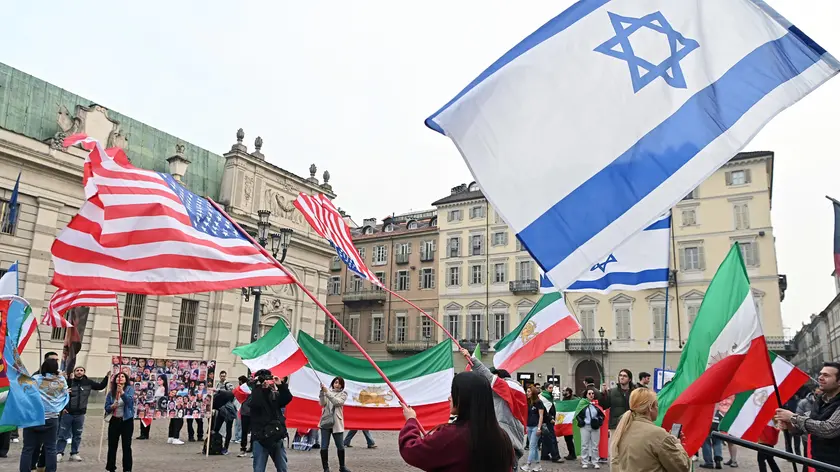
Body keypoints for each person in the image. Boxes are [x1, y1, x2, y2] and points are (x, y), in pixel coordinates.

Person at [398, 371, 514, 472]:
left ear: (462, 397)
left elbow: (411, 451)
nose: (449, 398)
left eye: (453, 393)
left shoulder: (451, 436)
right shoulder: (503, 438)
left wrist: (411, 421)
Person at [459, 348, 525, 466]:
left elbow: (489, 378)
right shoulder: (511, 394)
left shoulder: (508, 388)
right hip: (508, 446)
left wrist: (472, 359)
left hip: (506, 446)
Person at [775, 362, 840, 468]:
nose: (820, 378)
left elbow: (829, 429)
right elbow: (804, 428)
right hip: (818, 463)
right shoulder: (820, 401)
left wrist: (793, 417)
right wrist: (790, 425)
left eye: (826, 375)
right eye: (821, 374)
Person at [610, 388, 690, 472]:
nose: (658, 408)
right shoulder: (658, 434)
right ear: (650, 407)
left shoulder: (623, 429)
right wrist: (677, 444)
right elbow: (682, 467)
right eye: (657, 405)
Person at [20, 357, 68, 472]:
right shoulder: (61, 381)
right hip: (52, 418)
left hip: (34, 417)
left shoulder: (36, 379)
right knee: (51, 448)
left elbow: (25, 391)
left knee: (28, 449)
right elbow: (65, 394)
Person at [57, 366, 109, 462]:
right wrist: (62, 408)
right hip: (67, 413)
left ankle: (74, 453)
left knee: (77, 435)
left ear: (84, 372)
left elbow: (100, 386)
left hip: (80, 414)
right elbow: (59, 394)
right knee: (63, 434)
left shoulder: (88, 382)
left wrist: (107, 377)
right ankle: (59, 452)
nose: (79, 372)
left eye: (81, 370)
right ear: (74, 372)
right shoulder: (68, 382)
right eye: (77, 370)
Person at [249, 371, 293, 472]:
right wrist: (258, 386)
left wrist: (280, 385)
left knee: (282, 468)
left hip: (275, 436)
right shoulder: (254, 395)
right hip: (260, 437)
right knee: (259, 469)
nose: (265, 381)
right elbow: (256, 403)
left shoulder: (273, 394)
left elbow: (287, 398)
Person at [29, 351, 60, 472]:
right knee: (35, 445)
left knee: (49, 446)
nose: (56, 362)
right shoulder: (36, 376)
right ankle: (32, 466)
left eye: (57, 360)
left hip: (53, 415)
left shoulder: (60, 378)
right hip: (39, 416)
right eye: (53, 360)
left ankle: (42, 465)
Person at [104, 372, 135, 472]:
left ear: (126, 380)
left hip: (126, 421)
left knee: (126, 445)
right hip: (114, 420)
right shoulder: (111, 392)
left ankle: (127, 468)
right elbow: (106, 407)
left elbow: (130, 402)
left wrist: (122, 392)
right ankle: (111, 467)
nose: (120, 378)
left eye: (122, 377)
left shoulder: (129, 389)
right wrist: (111, 407)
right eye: (118, 376)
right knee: (112, 445)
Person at [319, 376, 350, 472]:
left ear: (342, 385)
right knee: (324, 446)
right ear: (333, 383)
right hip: (325, 422)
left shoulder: (343, 394)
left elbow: (337, 402)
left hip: (337, 423)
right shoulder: (327, 392)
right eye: (336, 382)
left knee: (340, 446)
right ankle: (326, 468)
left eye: (339, 383)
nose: (337, 385)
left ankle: (342, 467)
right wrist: (322, 393)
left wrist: (327, 393)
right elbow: (322, 403)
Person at [576, 388, 605, 469]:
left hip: (595, 427)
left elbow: (602, 414)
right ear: (586, 395)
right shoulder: (582, 403)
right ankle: (585, 462)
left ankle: (595, 462)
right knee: (584, 445)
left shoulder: (596, 404)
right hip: (585, 426)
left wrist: (599, 421)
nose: (591, 395)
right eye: (589, 393)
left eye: (592, 393)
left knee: (595, 445)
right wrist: (580, 421)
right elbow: (577, 413)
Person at [523, 384, 546, 471]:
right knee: (534, 447)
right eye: (527, 391)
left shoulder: (539, 402)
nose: (527, 393)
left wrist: (539, 428)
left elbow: (541, 416)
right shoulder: (527, 401)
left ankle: (528, 464)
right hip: (529, 426)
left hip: (536, 427)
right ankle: (538, 465)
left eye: (529, 391)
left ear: (533, 393)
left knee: (532, 446)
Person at [538, 384, 563, 464]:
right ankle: (555, 456)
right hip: (547, 421)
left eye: (552, 388)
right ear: (546, 388)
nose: (551, 389)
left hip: (546, 420)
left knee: (546, 438)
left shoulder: (547, 396)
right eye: (550, 388)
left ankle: (544, 455)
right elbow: (545, 410)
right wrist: (550, 418)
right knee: (552, 439)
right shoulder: (544, 397)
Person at [212, 389, 237, 455]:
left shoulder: (217, 398)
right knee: (217, 428)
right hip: (222, 410)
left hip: (228, 411)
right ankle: (214, 444)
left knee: (227, 429)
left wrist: (217, 390)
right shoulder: (214, 401)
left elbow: (229, 393)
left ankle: (225, 447)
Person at [235, 375, 253, 458]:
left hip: (249, 412)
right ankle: (248, 448)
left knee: (247, 432)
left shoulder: (245, 388)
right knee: (248, 432)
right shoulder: (245, 388)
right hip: (248, 412)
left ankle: (245, 449)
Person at [561, 388, 577, 461]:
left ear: (568, 392)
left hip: (572, 422)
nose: (562, 392)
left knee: (569, 438)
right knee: (567, 439)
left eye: (564, 390)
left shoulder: (574, 399)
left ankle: (572, 454)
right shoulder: (564, 399)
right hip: (566, 421)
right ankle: (571, 453)